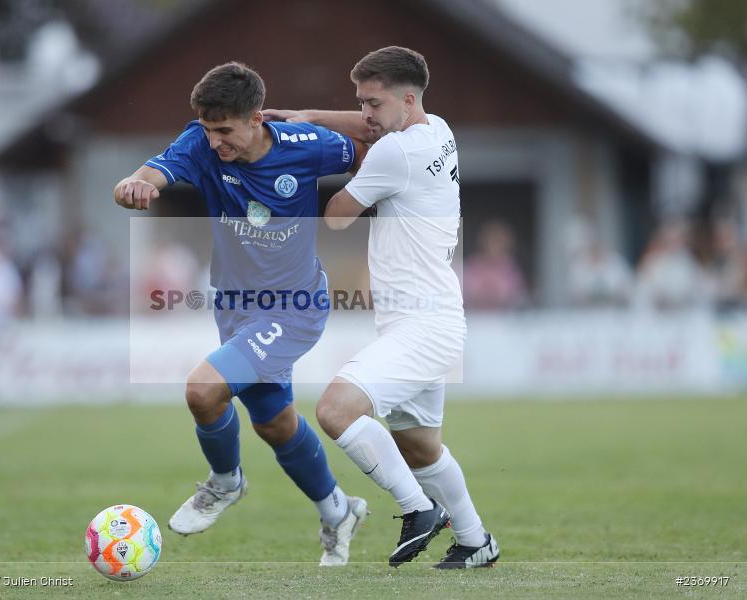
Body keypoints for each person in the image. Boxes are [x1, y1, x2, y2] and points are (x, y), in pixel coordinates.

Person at [113, 62, 369, 565]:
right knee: (274, 424)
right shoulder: (199, 141)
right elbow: (150, 173)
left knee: (202, 390)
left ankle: (225, 483)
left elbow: (369, 141)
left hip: (293, 309)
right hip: (234, 306)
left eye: (224, 131)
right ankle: (338, 509)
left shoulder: (306, 144)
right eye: (208, 130)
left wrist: (353, 178)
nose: (214, 143)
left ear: (256, 118)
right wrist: (133, 185)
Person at [265, 46, 499, 569]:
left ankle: (418, 509)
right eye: (362, 104)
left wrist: (310, 152)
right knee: (420, 449)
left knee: (334, 411)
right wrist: (311, 117)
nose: (365, 114)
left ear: (406, 100)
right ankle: (476, 540)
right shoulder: (436, 127)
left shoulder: (396, 154)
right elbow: (373, 125)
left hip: (422, 326)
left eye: (372, 103)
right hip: (430, 318)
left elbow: (338, 217)